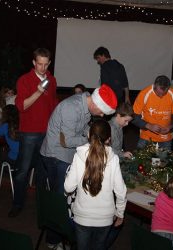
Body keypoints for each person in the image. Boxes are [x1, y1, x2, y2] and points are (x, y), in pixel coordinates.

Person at [40, 84, 117, 249]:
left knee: (67, 198)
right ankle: (53, 241)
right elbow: (66, 141)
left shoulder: (85, 105)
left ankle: (64, 237)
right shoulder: (71, 108)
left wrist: (91, 133)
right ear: (96, 104)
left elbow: (82, 129)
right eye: (102, 112)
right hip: (56, 156)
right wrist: (92, 140)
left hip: (66, 155)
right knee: (60, 200)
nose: (102, 115)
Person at [8, 48, 58, 218]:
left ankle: (42, 205)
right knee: (23, 170)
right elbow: (21, 106)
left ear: (49, 63)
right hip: (29, 133)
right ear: (33, 63)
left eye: (45, 65)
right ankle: (17, 204)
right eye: (39, 64)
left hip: (46, 133)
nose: (42, 68)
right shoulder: (24, 80)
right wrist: (38, 91)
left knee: (43, 172)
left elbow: (52, 105)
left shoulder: (52, 80)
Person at [64, 120, 127, 250]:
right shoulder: (113, 159)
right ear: (109, 139)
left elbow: (68, 187)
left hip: (82, 216)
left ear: (88, 135)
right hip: (105, 218)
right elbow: (121, 191)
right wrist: (120, 213)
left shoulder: (78, 156)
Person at [132, 75, 173, 151]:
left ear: (168, 88)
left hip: (165, 138)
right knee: (141, 162)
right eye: (158, 93)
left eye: (164, 94)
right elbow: (134, 117)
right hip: (146, 137)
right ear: (154, 86)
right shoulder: (144, 94)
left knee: (165, 162)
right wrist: (149, 126)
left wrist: (170, 127)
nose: (161, 96)